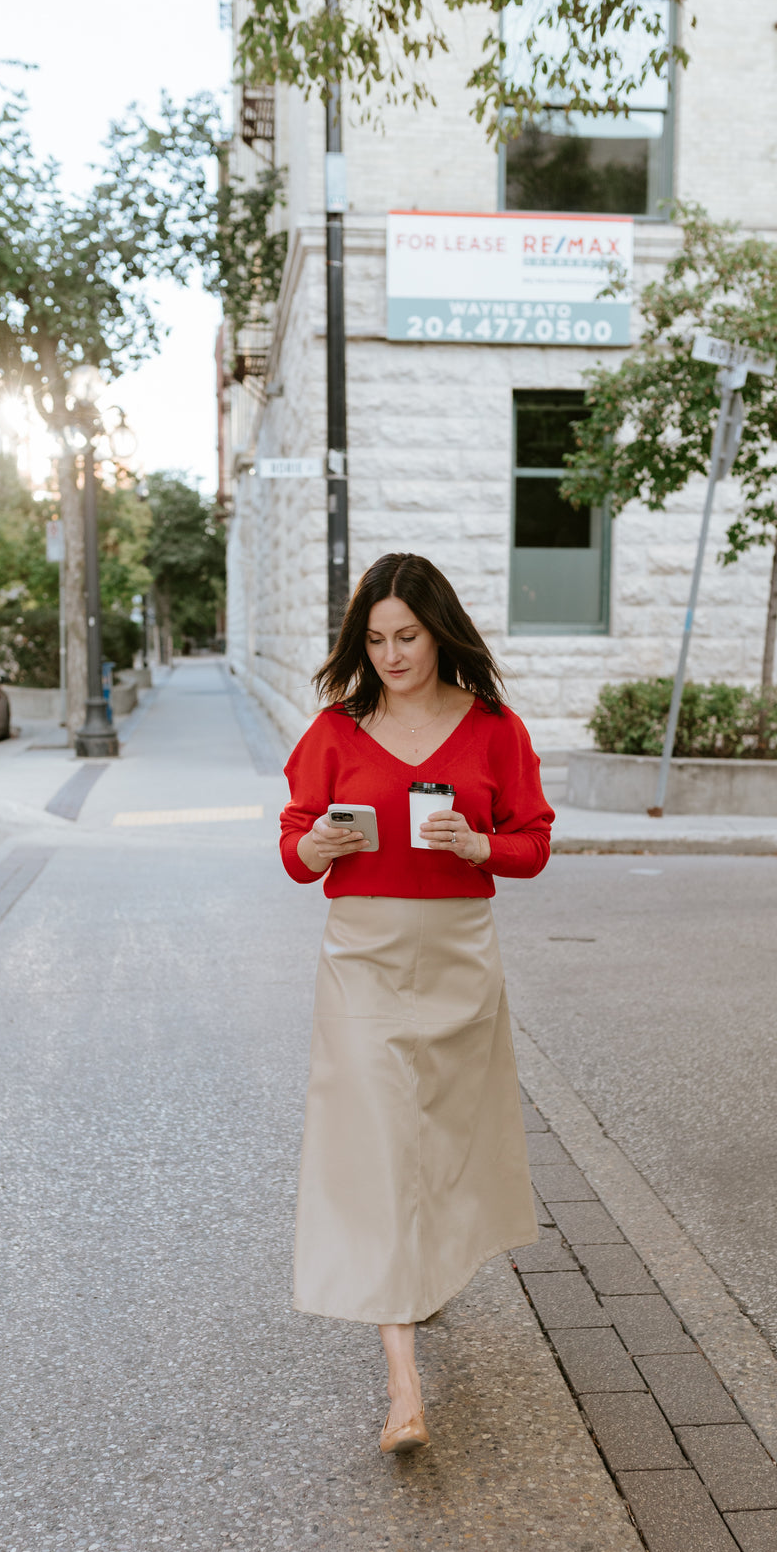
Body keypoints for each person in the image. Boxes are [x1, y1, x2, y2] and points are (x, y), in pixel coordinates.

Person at [279, 552, 554, 1454]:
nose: (392, 655)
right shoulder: (336, 730)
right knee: (379, 1143)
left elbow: (532, 843)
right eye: (376, 639)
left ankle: (426, 1273)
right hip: (362, 956)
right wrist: (318, 842)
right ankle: (403, 1389)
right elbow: (294, 849)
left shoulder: (492, 729)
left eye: (407, 637)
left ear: (439, 632)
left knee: (437, 1137)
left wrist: (478, 844)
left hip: (456, 960)